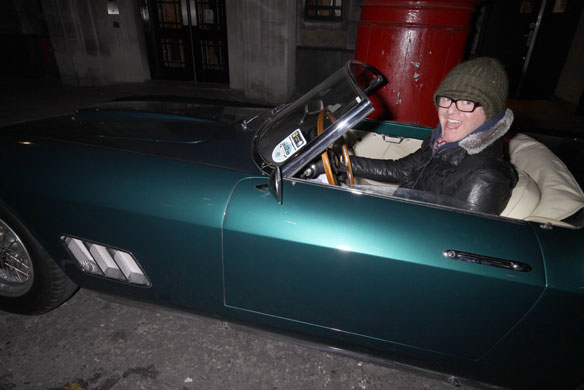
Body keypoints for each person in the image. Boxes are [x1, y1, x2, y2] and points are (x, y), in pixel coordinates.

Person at [348, 57, 518, 215]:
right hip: (398, 214)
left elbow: (459, 237)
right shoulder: (442, 144)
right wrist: (339, 163)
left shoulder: (486, 177)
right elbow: (402, 169)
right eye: (446, 99)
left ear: (491, 112)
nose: (450, 110)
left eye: (467, 102)